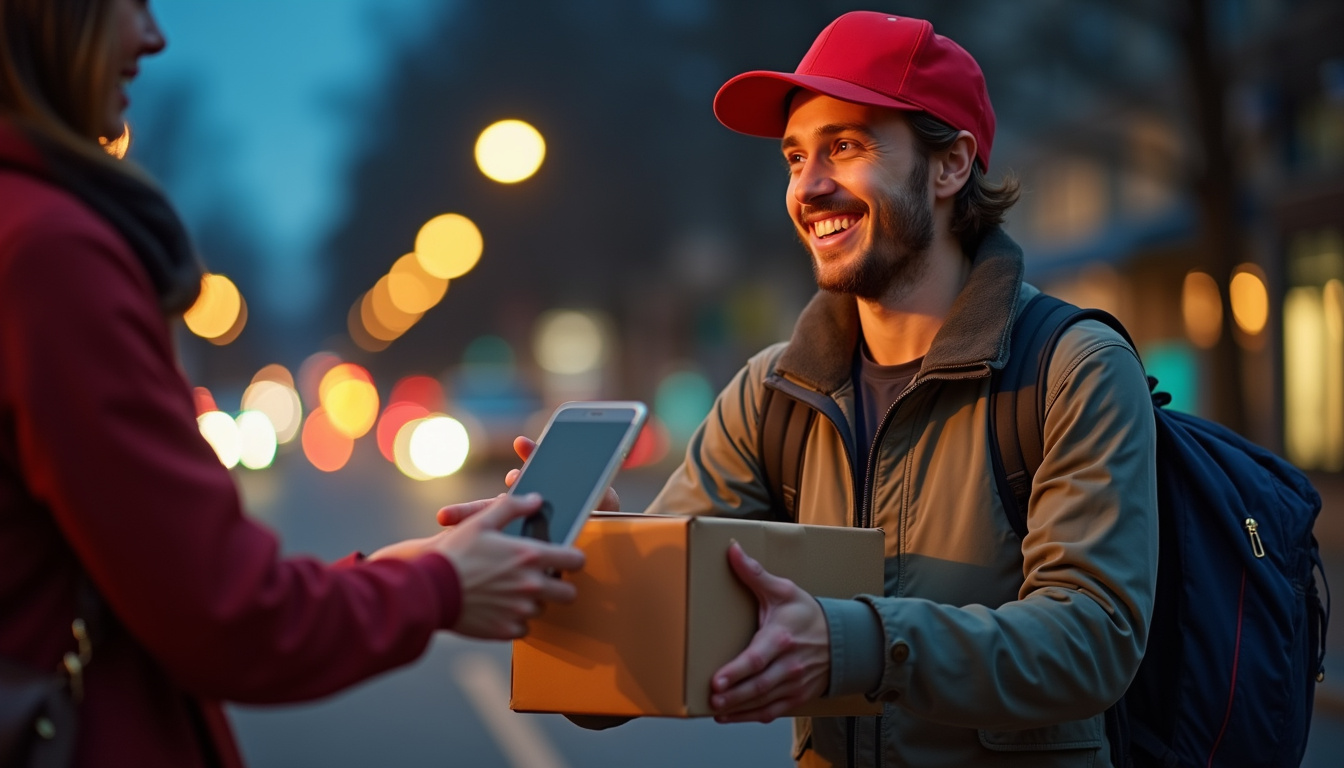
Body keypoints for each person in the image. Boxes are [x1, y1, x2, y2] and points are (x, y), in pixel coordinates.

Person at [478, 10, 1160, 767]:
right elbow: (623, 680)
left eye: (845, 146)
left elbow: (1093, 643)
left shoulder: (1073, 368)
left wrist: (855, 643)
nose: (810, 186)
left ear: (950, 165)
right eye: (795, 158)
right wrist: (593, 573)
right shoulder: (771, 392)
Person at [0, 2, 583, 766]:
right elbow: (225, 615)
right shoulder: (52, 255)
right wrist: (436, 588)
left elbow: (155, 581)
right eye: (129, 3)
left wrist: (402, 571)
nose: (153, 36)